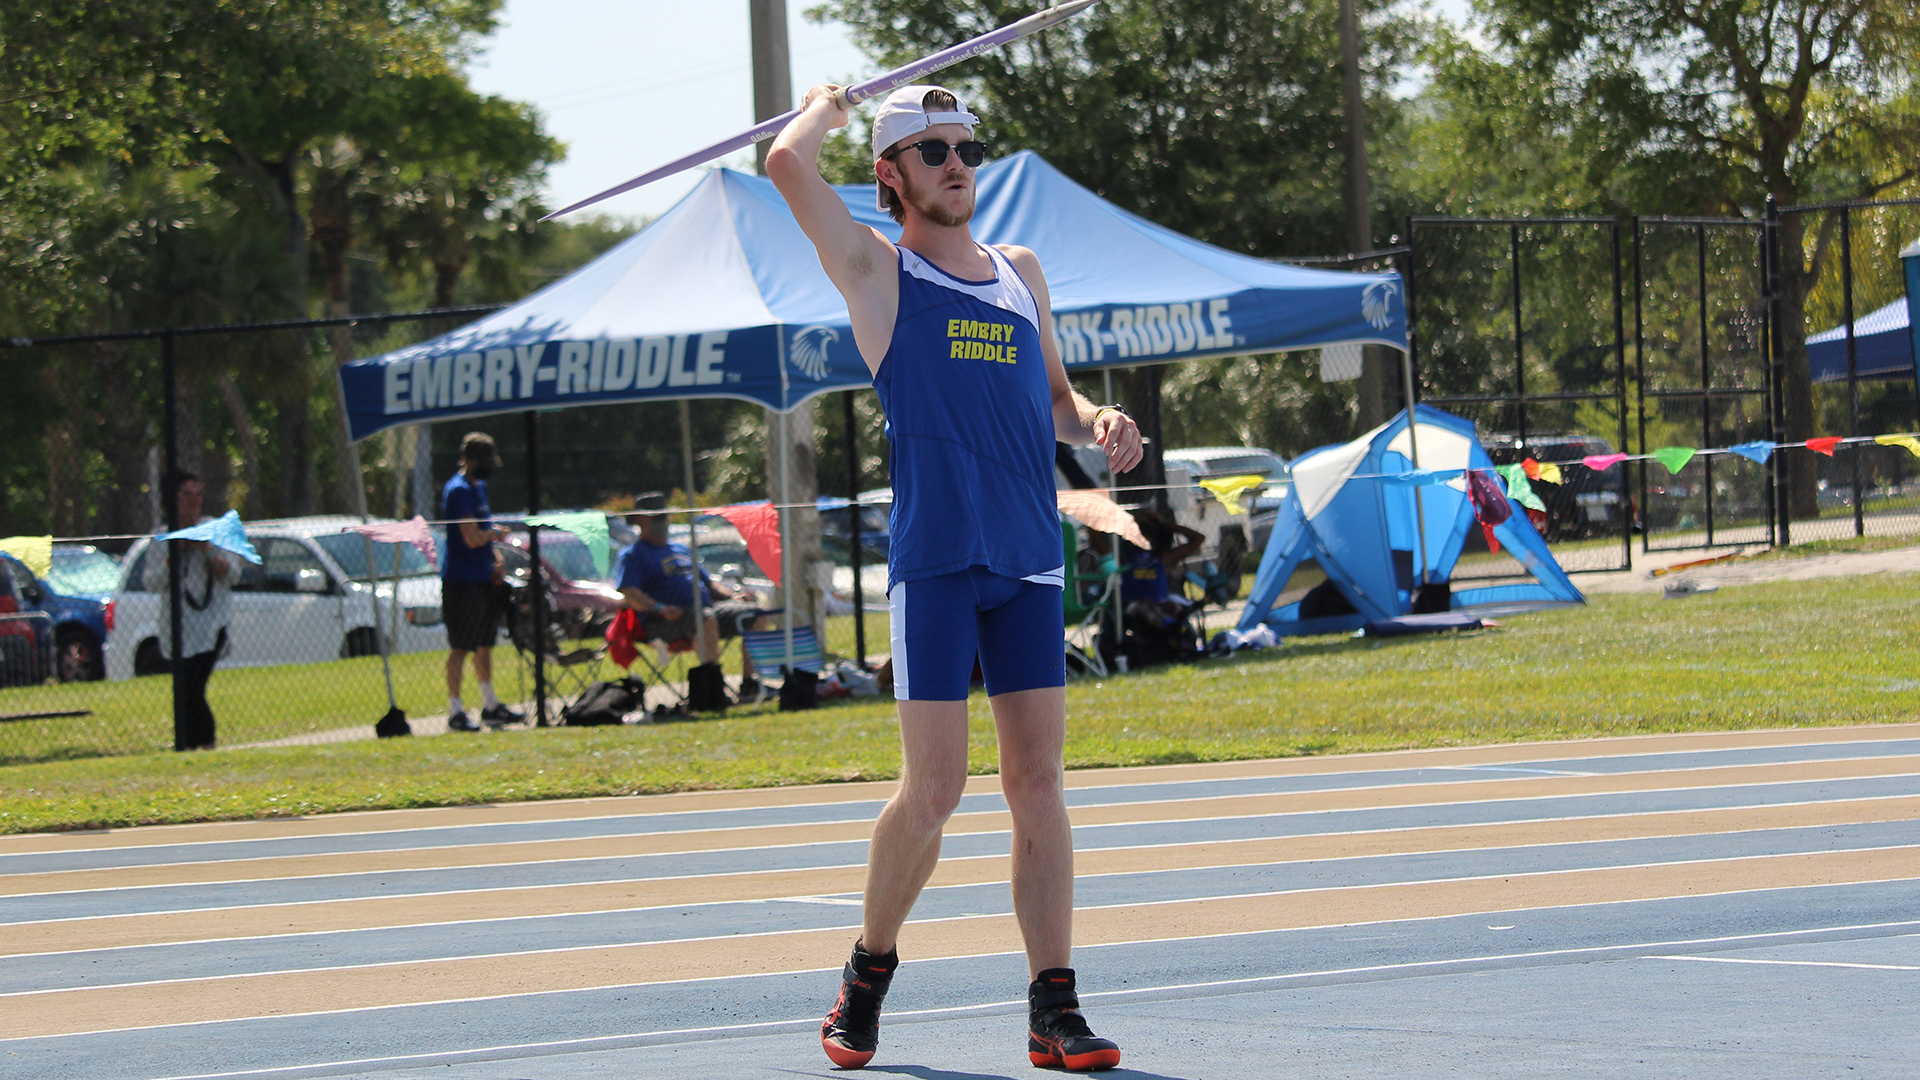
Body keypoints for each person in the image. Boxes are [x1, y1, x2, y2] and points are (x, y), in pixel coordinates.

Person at [766, 83, 1144, 1072]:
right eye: (931, 150)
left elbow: (1057, 401)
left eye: (964, 145)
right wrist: (822, 109)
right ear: (891, 175)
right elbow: (787, 169)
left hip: (1024, 556)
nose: (956, 163)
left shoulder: (1020, 271)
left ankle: (1053, 1008)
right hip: (935, 560)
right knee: (934, 789)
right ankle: (868, 969)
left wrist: (1097, 425)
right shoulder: (877, 275)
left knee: (1038, 783)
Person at [615, 492, 753, 711]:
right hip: (663, 620)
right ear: (641, 521)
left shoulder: (682, 549)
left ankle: (750, 684)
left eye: (665, 517)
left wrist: (733, 596)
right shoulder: (633, 554)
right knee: (704, 619)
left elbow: (711, 585)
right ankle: (713, 689)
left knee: (752, 613)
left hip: (705, 610)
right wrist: (659, 607)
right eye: (657, 518)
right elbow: (630, 592)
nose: (664, 522)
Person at [142, 470, 231, 751]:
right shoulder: (161, 536)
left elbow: (232, 574)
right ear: (173, 498)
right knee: (183, 690)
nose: (194, 500)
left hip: (211, 625)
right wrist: (175, 555)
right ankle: (189, 744)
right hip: (176, 627)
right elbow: (151, 583)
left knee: (193, 688)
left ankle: (202, 743)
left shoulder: (216, 529)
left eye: (198, 494)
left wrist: (206, 550)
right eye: (186, 494)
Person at [441, 432, 522, 732]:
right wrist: (495, 535)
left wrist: (496, 559)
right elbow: (472, 537)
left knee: (485, 644)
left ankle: (490, 706)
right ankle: (455, 711)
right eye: (483, 462)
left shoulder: (480, 488)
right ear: (469, 460)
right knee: (461, 646)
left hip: (484, 578)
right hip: (461, 581)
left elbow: (484, 536)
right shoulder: (458, 490)